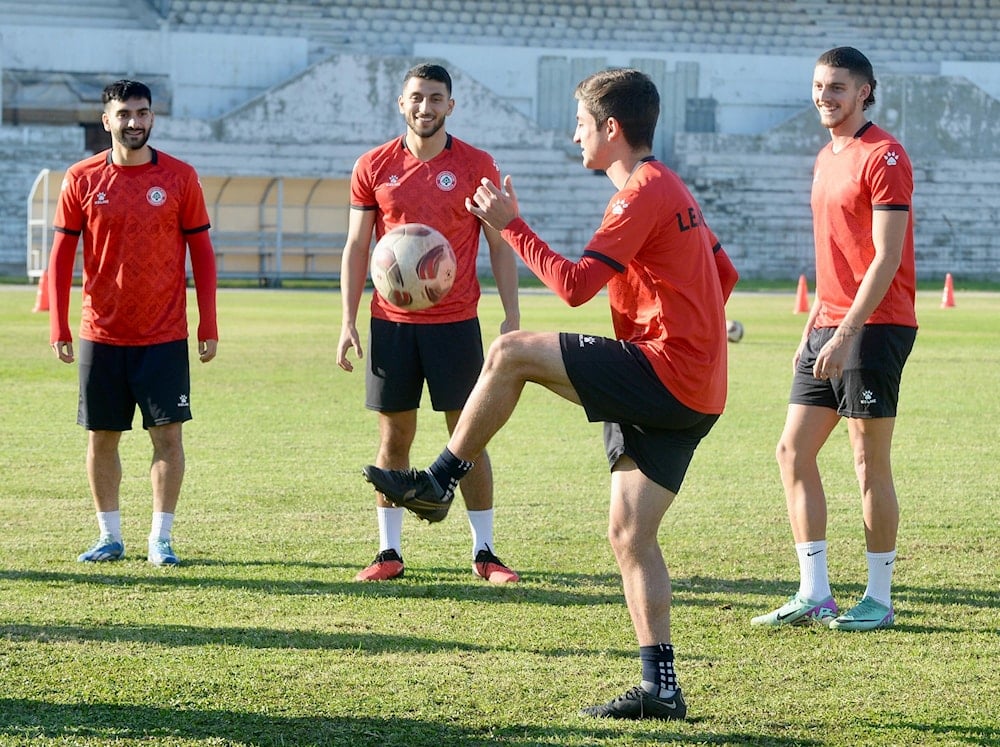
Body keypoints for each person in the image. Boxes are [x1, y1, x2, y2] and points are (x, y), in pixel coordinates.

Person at [363, 68, 739, 720]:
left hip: (666, 373)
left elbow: (571, 286)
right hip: (698, 387)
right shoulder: (671, 188)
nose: (574, 136)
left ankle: (443, 477)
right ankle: (662, 687)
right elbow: (723, 271)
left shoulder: (643, 190)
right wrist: (687, 322)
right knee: (629, 533)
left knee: (510, 352)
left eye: (582, 125)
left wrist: (511, 225)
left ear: (611, 130)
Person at [751, 47, 917, 631]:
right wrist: (816, 322)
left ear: (866, 91)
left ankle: (878, 597)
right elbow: (834, 257)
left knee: (868, 462)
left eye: (839, 88)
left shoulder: (885, 155)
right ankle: (814, 591)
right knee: (792, 452)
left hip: (875, 326)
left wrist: (847, 331)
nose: (826, 96)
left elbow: (886, 256)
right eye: (820, 86)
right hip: (829, 321)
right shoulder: (827, 156)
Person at [336, 63, 522, 584]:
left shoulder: (475, 164)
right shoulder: (373, 166)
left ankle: (485, 553)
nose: (425, 107)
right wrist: (347, 320)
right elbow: (356, 246)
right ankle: (388, 552)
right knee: (395, 436)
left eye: (435, 98)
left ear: (450, 106)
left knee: (469, 437)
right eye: (416, 98)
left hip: (456, 322)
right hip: (391, 325)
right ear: (401, 104)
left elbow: (498, 242)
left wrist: (511, 313)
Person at [48, 79, 219, 567]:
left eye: (142, 113)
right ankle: (109, 535)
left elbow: (201, 253)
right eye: (124, 114)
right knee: (102, 437)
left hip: (164, 335)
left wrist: (208, 322)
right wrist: (58, 325)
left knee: (168, 437)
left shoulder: (182, 177)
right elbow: (61, 256)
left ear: (152, 118)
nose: (135, 122)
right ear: (107, 121)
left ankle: (160, 538)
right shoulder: (81, 178)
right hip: (101, 332)